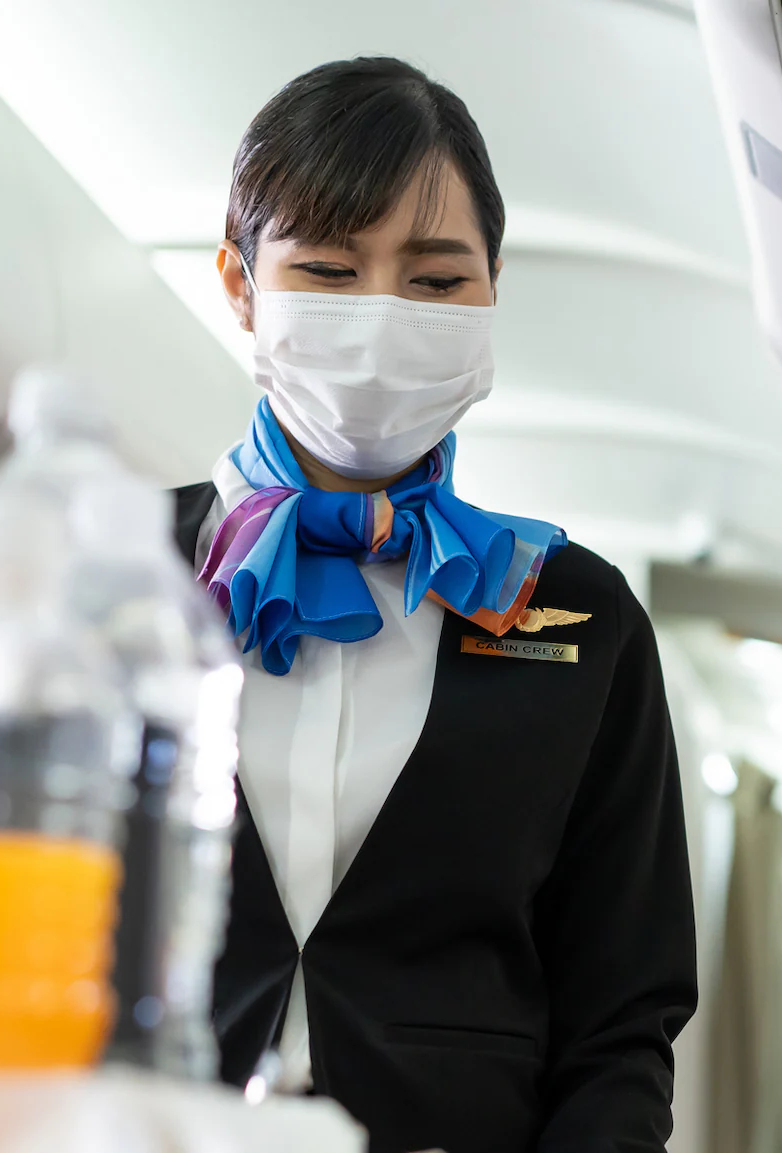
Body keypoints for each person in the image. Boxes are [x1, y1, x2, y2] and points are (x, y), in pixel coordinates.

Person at [169, 57, 697, 1153]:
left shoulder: (581, 619)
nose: (378, 318)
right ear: (238, 285)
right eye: (326, 269)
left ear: (491, 287)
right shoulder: (114, 565)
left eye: (435, 281)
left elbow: (620, 1020)